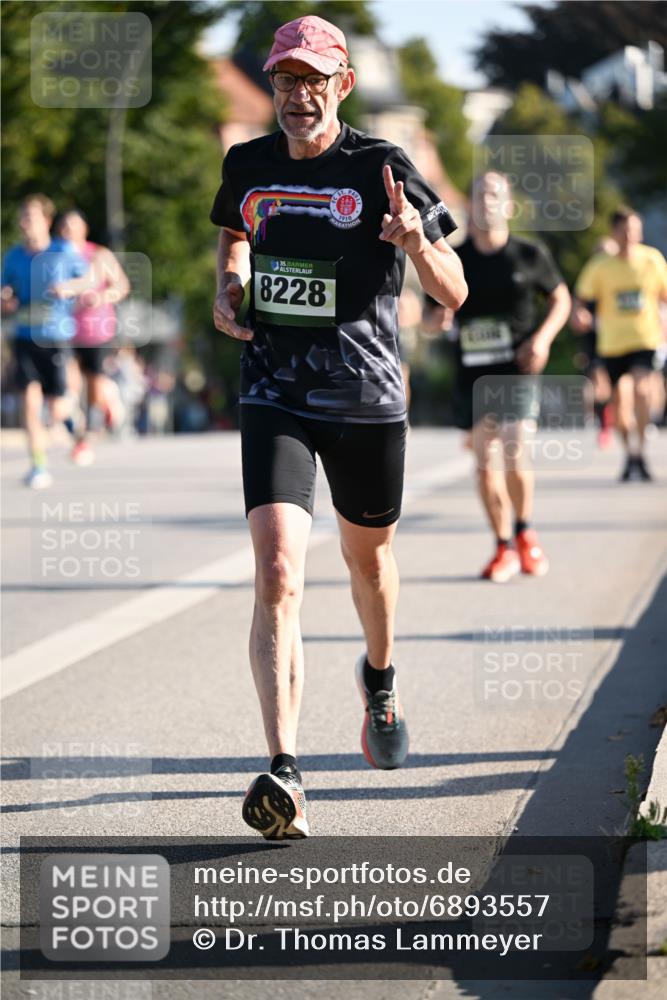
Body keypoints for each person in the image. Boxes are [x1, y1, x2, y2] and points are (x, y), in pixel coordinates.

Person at [210, 15, 466, 838]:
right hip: (275, 391)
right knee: (279, 570)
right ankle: (283, 769)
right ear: (272, 86)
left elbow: (452, 293)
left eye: (314, 80)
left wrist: (417, 245)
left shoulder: (384, 167)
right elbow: (235, 241)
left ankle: (380, 676)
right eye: (286, 80)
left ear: (342, 86)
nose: (298, 94)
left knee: (368, 561)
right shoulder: (245, 165)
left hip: (365, 399)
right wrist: (229, 284)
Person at [427, 172, 571, 582]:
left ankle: (525, 532)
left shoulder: (529, 254)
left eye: (495, 194)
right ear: (469, 205)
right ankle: (503, 545)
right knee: (484, 466)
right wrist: (435, 320)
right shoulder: (453, 257)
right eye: (479, 194)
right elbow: (429, 318)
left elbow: (560, 298)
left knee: (513, 446)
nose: (487, 201)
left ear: (508, 206)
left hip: (517, 370)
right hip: (471, 376)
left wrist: (542, 339)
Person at [1, 194, 91, 488]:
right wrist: (7, 299)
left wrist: (69, 287)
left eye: (32, 216)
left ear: (46, 221)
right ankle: (38, 466)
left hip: (55, 336)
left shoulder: (63, 250)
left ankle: (74, 428)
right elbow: (6, 291)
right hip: (25, 336)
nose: (26, 222)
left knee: (56, 407)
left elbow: (89, 280)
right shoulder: (13, 256)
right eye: (23, 217)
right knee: (29, 403)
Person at [573, 207, 667, 481]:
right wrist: (579, 313)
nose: (630, 236)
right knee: (621, 402)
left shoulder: (652, 260)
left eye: (635, 231)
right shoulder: (601, 266)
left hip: (644, 339)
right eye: (625, 231)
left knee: (642, 390)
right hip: (612, 344)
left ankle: (641, 449)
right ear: (614, 233)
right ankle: (631, 454)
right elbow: (580, 298)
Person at [57, 209, 130, 464]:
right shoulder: (54, 257)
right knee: (69, 383)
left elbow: (121, 286)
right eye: (64, 225)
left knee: (93, 386)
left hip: (96, 330)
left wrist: (101, 297)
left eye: (73, 225)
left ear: (84, 229)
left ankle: (87, 433)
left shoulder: (98, 255)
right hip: (62, 330)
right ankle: (79, 433)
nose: (68, 230)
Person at [571, 236, 618, 450]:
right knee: (599, 385)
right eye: (600, 255)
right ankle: (604, 426)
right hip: (596, 341)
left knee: (620, 388)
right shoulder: (589, 280)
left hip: (622, 340)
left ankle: (623, 422)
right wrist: (582, 317)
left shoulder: (621, 277)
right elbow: (577, 309)